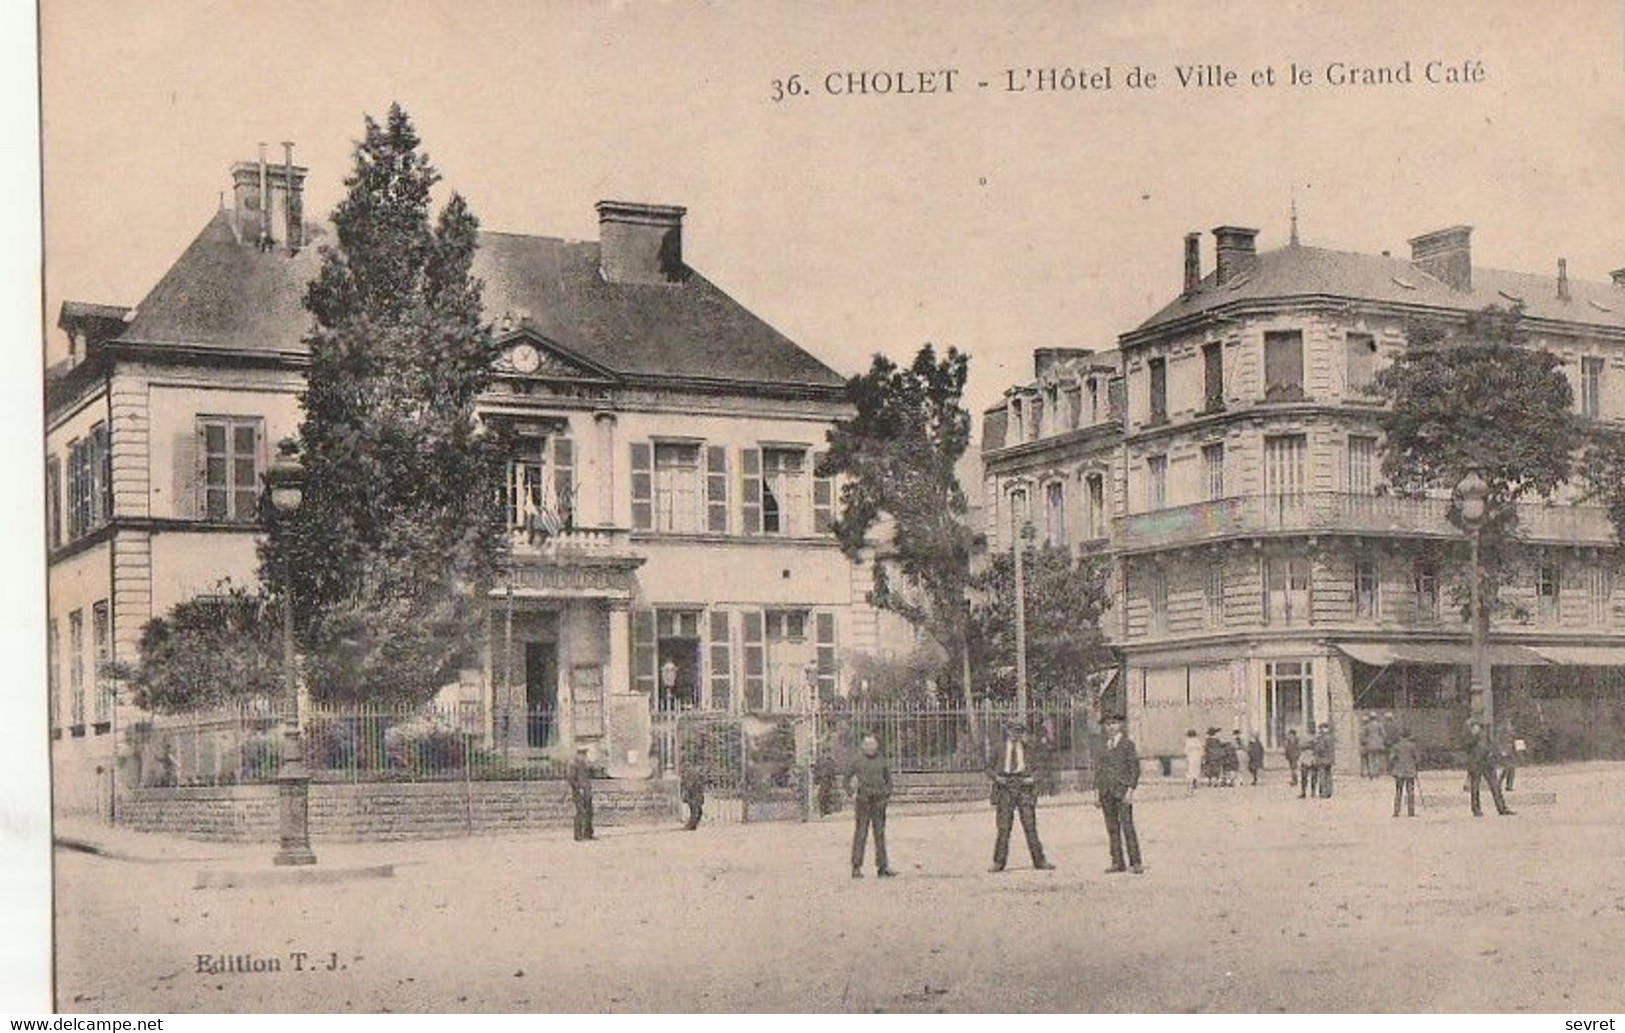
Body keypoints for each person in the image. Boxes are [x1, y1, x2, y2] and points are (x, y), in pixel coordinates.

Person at [988, 723, 1054, 873]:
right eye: (1012, 731)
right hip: (1005, 787)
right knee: (1004, 827)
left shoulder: (1028, 748)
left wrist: (1033, 779)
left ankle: (1040, 861)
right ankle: (999, 862)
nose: (1014, 734)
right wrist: (997, 778)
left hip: (1024, 787)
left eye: (1018, 731)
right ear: (1007, 732)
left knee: (1030, 826)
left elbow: (1039, 768)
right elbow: (988, 767)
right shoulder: (999, 748)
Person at [1096, 714, 1143, 875]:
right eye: (1107, 724)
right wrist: (1097, 793)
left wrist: (1130, 790)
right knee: (1112, 828)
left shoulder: (1127, 745)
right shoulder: (1103, 746)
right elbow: (1099, 771)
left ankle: (1135, 862)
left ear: (1121, 725)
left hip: (1122, 792)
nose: (1110, 727)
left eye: (1114, 724)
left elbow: (1134, 769)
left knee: (1127, 826)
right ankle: (1117, 862)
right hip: (1106, 792)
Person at [846, 733, 896, 878]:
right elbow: (846, 779)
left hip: (879, 802)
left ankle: (882, 866)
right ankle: (856, 867)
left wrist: (886, 794)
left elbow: (889, 780)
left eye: (873, 744)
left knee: (879, 834)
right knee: (861, 833)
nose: (870, 748)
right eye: (867, 745)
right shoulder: (857, 760)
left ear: (877, 746)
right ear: (862, 746)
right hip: (863, 801)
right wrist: (851, 793)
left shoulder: (881, 760)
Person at [1465, 718, 1515, 817]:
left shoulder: (1487, 726)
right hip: (1476, 760)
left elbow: (1491, 742)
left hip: (1488, 759)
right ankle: (1476, 809)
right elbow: (1466, 743)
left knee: (1495, 785)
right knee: (1475, 786)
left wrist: (1494, 754)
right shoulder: (1470, 725)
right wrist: (1473, 734)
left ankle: (1502, 808)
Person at [566, 745, 596, 841]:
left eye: (585, 754)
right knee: (580, 812)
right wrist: (578, 788)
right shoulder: (573, 764)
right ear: (578, 754)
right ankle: (578, 835)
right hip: (579, 792)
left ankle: (588, 833)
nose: (584, 756)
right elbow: (571, 778)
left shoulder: (584, 764)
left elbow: (588, 776)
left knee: (589, 812)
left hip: (587, 791)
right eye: (583, 754)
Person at [1389, 728, 1420, 817]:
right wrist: (1416, 766)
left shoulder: (1396, 746)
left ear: (1401, 736)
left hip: (1399, 771)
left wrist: (1392, 766)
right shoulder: (1412, 746)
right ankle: (1411, 811)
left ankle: (1396, 811)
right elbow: (1417, 759)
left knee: (1398, 791)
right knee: (1410, 791)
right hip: (1410, 771)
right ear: (1409, 735)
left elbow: (1391, 758)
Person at [680, 762, 706, 831]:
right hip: (695, 793)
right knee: (696, 809)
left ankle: (692, 824)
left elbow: (689, 784)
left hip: (694, 793)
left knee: (695, 809)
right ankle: (693, 824)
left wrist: (685, 789)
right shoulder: (692, 773)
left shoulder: (690, 773)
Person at [1497, 718, 1519, 792]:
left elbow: (1514, 740)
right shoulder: (1501, 730)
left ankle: (1509, 785)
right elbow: (1498, 741)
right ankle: (1498, 783)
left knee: (1512, 769)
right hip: (1504, 751)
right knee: (1506, 769)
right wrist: (1501, 750)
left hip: (1511, 751)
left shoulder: (1512, 730)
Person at [1315, 722, 1336, 798]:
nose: (1320, 730)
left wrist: (1316, 748)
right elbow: (1332, 750)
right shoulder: (1330, 737)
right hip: (1329, 760)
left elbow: (1320, 748)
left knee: (1322, 776)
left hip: (1322, 760)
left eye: (1320, 728)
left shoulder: (1322, 738)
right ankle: (1329, 791)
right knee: (1329, 776)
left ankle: (1323, 792)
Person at [1183, 729, 1204, 793]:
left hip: (1191, 757)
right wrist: (1202, 756)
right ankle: (1195, 782)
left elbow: (1186, 751)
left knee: (1191, 770)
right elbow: (1201, 750)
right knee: (1197, 769)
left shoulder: (1188, 741)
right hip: (1197, 757)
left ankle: (1191, 784)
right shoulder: (1198, 741)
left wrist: (1186, 757)